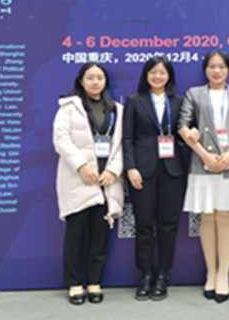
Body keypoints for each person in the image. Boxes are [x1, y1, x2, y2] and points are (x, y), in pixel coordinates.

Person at [178, 50, 229, 303]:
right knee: (207, 217)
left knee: (226, 217)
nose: (216, 71)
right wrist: (205, 155)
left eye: (221, 66)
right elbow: (182, 125)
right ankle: (211, 273)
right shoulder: (194, 94)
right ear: (205, 70)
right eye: (212, 66)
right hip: (203, 164)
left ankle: (224, 275)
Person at [53, 62, 124, 305]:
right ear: (81, 81)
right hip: (79, 179)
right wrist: (81, 166)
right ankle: (74, 284)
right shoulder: (68, 108)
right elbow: (60, 139)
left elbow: (122, 145)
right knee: (75, 237)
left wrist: (113, 171)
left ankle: (94, 282)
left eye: (99, 78)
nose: (95, 82)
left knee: (100, 237)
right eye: (90, 77)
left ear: (106, 82)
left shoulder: (117, 110)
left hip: (105, 182)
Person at [123, 56, 187, 301]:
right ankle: (145, 275)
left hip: (172, 170)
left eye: (162, 72)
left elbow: (186, 133)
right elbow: (127, 138)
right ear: (146, 75)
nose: (157, 77)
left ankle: (163, 275)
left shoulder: (179, 102)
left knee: (168, 225)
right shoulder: (134, 101)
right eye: (153, 72)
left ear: (169, 76)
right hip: (142, 171)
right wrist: (131, 167)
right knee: (144, 224)